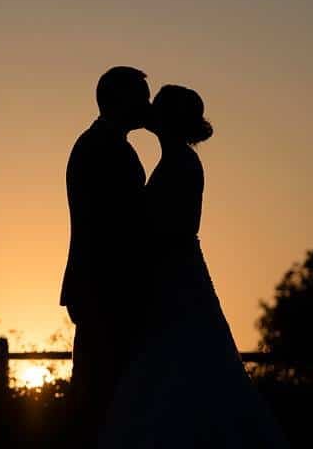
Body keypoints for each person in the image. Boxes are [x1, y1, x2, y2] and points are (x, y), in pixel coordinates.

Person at [97, 85, 289, 448]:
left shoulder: (181, 163)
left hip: (176, 278)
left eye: (158, 107)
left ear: (168, 119)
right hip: (175, 274)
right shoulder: (175, 160)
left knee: (180, 359)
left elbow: (179, 227)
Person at [60, 66, 151, 447]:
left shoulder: (105, 144)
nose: (147, 105)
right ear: (120, 100)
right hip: (105, 287)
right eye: (140, 98)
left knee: (107, 393)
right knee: (100, 396)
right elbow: (112, 224)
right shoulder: (101, 148)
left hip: (104, 286)